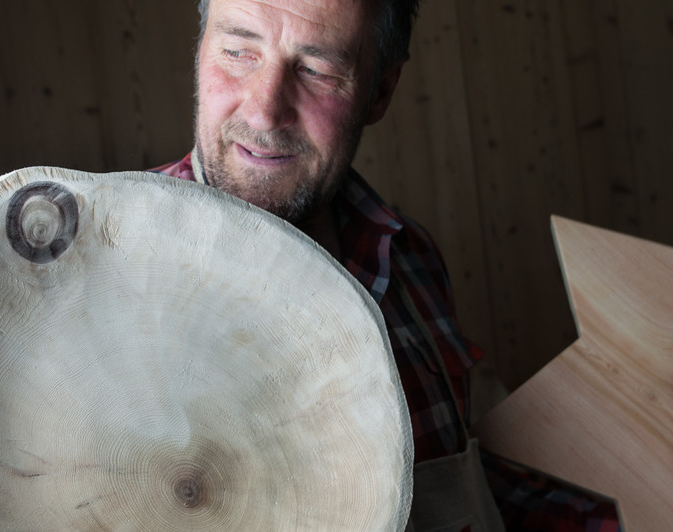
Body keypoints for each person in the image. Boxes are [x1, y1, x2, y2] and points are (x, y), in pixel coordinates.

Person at [152, 0, 620, 529]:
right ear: (200, 53)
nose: (263, 111)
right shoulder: (108, 269)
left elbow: (473, 494)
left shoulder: (409, 255)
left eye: (316, 70)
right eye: (238, 51)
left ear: (380, 91)